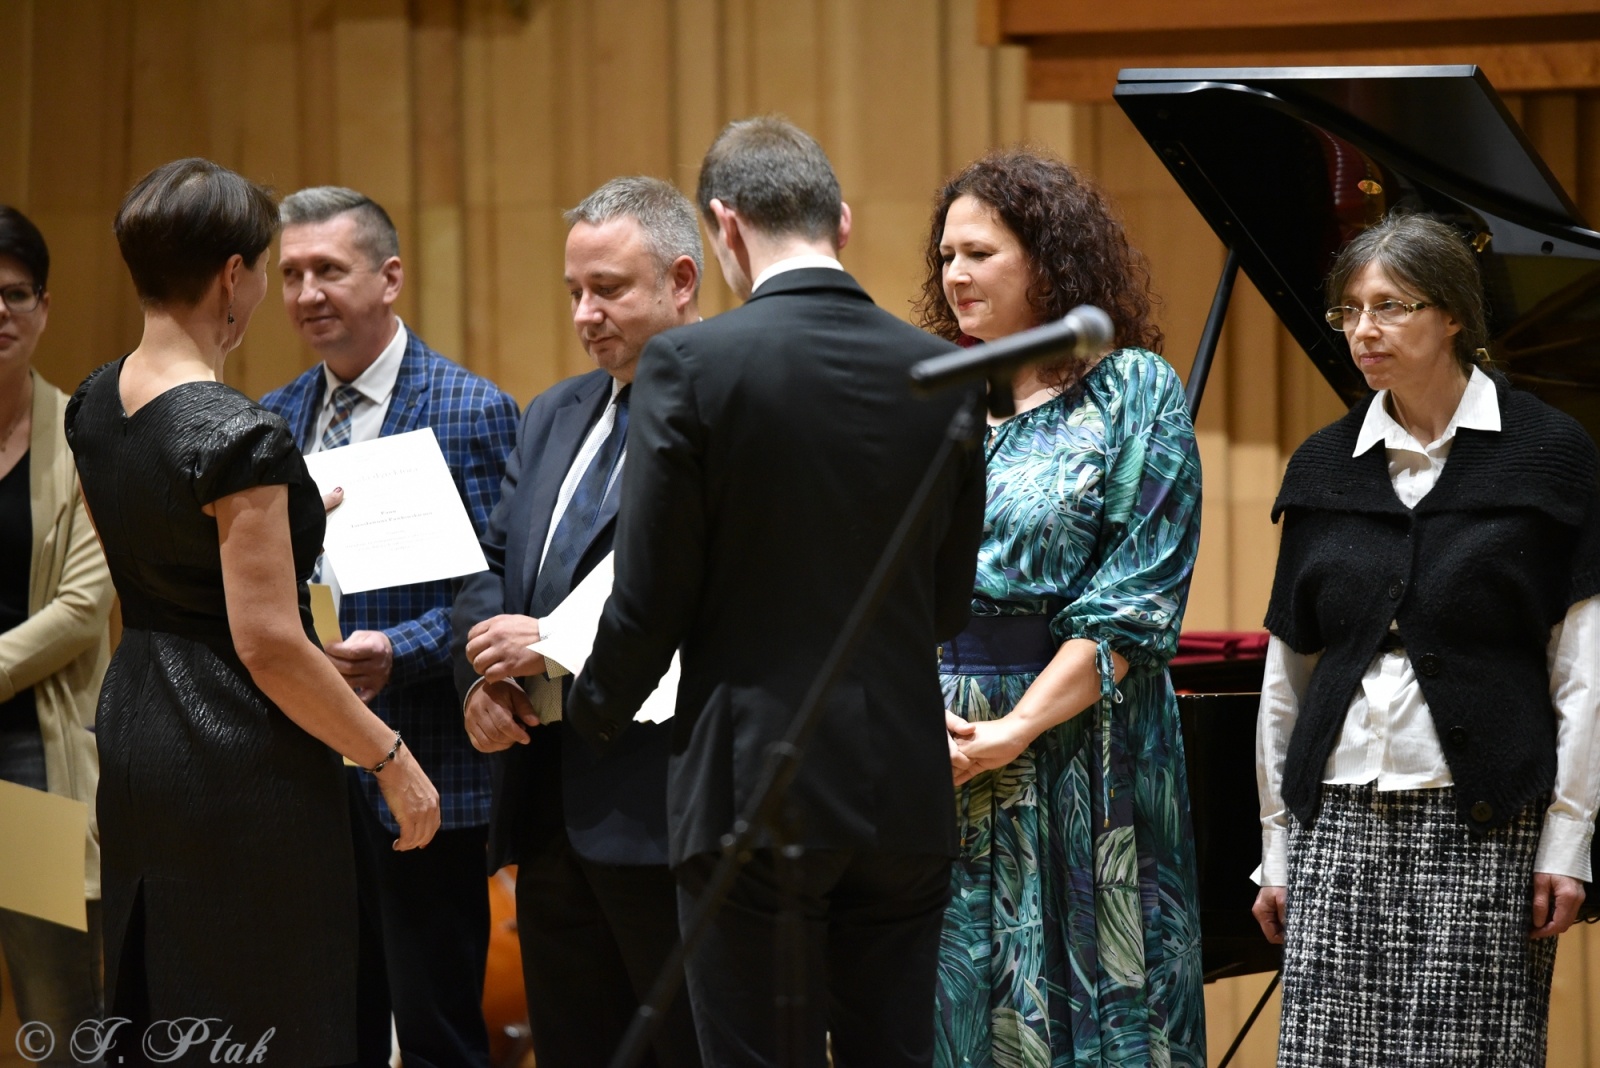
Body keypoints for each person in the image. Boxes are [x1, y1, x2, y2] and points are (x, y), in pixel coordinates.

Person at [563, 117, 986, 1068]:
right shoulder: (949, 369)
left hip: (751, 786)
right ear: (839, 221)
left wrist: (589, 712)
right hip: (903, 791)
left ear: (723, 225)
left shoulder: (691, 364)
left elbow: (652, 597)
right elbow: (947, 603)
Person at [64, 159, 440, 1066]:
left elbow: (167, 544)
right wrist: (387, 758)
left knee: (170, 1005)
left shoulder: (90, 403)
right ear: (234, 274)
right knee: (273, 1011)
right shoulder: (238, 432)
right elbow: (269, 643)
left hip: (139, 721)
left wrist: (297, 512)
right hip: (235, 748)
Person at [1254, 211, 1600, 1066]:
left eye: (1391, 306)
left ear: (1452, 314)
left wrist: (1569, 840)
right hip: (1335, 817)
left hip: (1483, 821)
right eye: (1349, 312)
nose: (1364, 331)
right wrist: (1274, 845)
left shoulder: (1551, 457)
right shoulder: (1323, 465)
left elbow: (1582, 671)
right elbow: (1288, 673)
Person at [915, 148, 1205, 1067]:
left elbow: (1136, 601)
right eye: (947, 256)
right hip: (936, 745)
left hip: (1085, 746)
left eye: (981, 254)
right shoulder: (932, 396)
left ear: (1049, 259)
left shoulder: (1134, 393)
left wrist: (1013, 730)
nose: (955, 275)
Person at [260, 186, 518, 1068]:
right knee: (333, 1025)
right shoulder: (273, 417)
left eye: (328, 269)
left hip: (429, 766)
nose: (306, 293)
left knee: (439, 1026)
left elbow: (501, 586)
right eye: (290, 273)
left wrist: (395, 652)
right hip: (307, 775)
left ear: (390, 276)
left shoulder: (468, 407)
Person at [450, 175, 705, 1068]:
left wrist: (551, 646)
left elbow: (706, 590)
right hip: (549, 803)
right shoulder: (557, 410)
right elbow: (490, 569)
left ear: (681, 279)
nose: (586, 314)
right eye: (574, 293)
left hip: (666, 808)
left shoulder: (727, 409)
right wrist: (482, 679)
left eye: (610, 289)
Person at [0, 206, 113, 1064]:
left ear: (43, 308)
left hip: (28, 770)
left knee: (57, 1014)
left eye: (14, 294)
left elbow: (81, 611)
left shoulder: (83, 439)